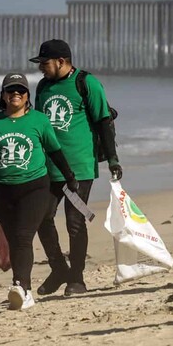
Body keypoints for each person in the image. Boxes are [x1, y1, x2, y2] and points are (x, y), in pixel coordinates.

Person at [0, 73, 78, 310]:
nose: (15, 94)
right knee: (14, 237)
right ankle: (20, 287)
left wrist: (69, 177)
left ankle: (23, 288)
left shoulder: (39, 121)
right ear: (3, 95)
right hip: (3, 191)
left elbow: (54, 150)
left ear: (28, 95)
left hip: (35, 187)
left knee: (23, 237)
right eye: (10, 90)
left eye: (20, 90)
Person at [30, 39, 122, 296]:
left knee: (75, 222)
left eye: (45, 63)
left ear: (61, 61)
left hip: (79, 167)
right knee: (41, 218)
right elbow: (38, 126)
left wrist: (113, 159)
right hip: (48, 168)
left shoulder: (86, 82)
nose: (41, 69)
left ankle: (77, 279)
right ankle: (59, 268)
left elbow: (104, 121)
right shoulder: (43, 87)